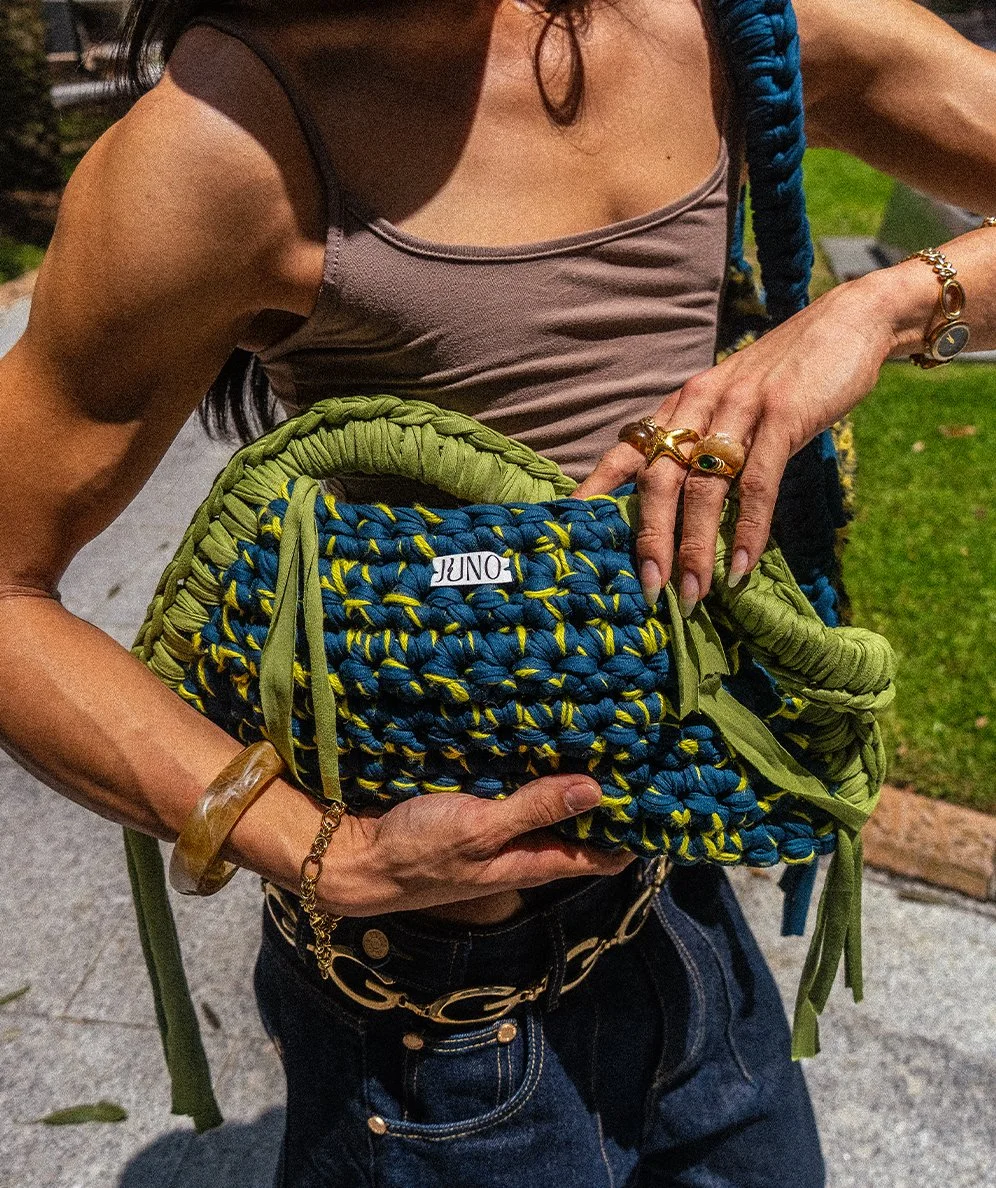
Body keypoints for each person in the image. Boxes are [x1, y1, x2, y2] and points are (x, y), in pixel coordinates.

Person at [0, 0, 993, 1183]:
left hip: (686, 915)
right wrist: (323, 852)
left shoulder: (731, 26)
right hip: (422, 1022)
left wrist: (878, 309)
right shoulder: (228, 141)